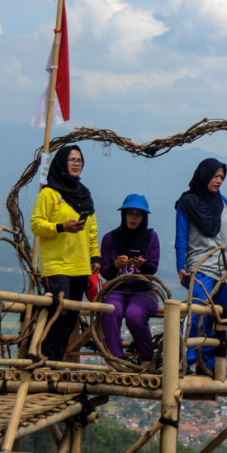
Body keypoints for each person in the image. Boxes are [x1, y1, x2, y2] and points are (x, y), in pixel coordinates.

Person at [175, 158, 227, 374]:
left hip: (224, 269)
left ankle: (209, 364)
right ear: (204, 175)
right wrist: (180, 265)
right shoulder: (187, 203)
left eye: (221, 177)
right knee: (196, 313)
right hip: (200, 267)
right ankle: (185, 360)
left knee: (221, 317)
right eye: (215, 176)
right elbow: (181, 238)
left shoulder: (222, 202)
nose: (219, 180)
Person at [30, 145, 101, 361]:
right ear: (61, 163)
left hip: (80, 265)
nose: (76, 163)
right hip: (57, 265)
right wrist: (61, 227)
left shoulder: (85, 195)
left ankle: (55, 361)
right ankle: (41, 357)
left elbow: (92, 230)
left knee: (70, 317)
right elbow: (36, 224)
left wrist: (95, 256)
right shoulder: (49, 193)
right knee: (57, 312)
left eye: (79, 160)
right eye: (72, 159)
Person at [99, 193, 161, 363]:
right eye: (130, 213)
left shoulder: (151, 238)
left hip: (143, 292)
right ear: (123, 215)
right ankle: (116, 359)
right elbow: (106, 272)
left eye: (138, 215)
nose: (134, 218)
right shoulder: (110, 239)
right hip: (116, 290)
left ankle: (147, 358)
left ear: (144, 217)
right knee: (111, 310)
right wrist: (115, 265)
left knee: (135, 315)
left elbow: (153, 268)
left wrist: (142, 265)